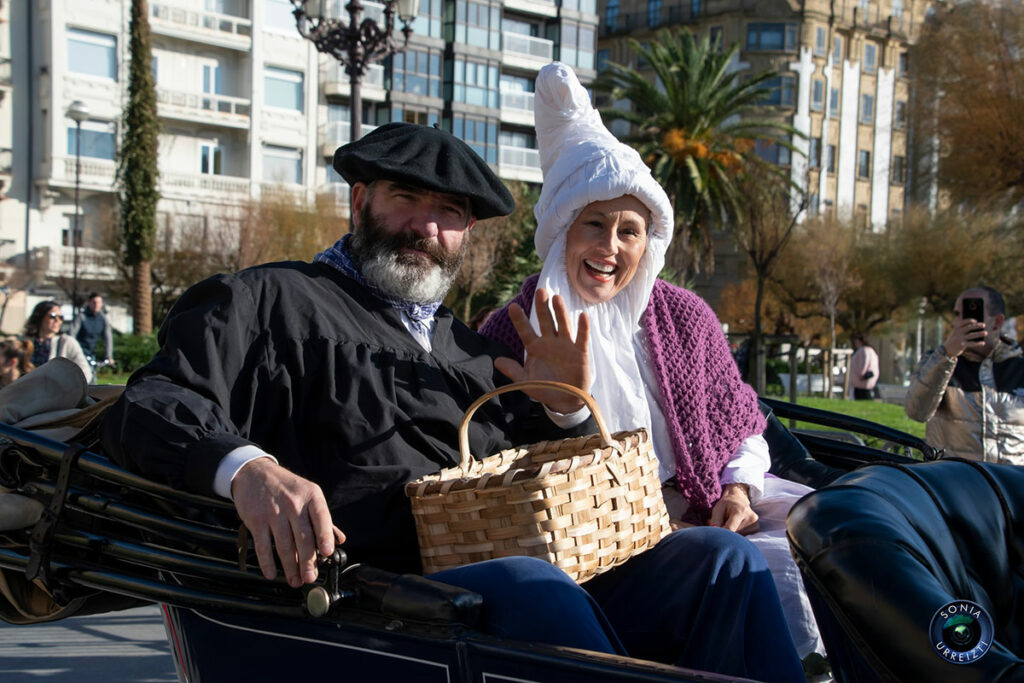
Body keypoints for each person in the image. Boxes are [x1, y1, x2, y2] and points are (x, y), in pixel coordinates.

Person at [101, 122, 804, 682]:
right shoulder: (268, 299)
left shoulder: (469, 348)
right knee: (538, 586)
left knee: (721, 560)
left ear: (466, 234)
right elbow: (156, 399)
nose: (426, 226)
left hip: (506, 585)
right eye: (407, 198)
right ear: (360, 201)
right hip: (366, 596)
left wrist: (564, 404)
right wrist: (247, 469)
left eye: (450, 212)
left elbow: (550, 482)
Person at [480, 63, 823, 667]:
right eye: (595, 224)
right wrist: (562, 404)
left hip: (710, 506)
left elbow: (740, 422)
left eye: (630, 231)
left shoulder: (683, 315)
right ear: (562, 229)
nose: (611, 248)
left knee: (838, 538)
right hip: (600, 547)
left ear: (650, 242)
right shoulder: (512, 326)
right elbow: (503, 472)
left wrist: (738, 489)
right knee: (747, 568)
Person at [905, 286, 1024, 463]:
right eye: (957, 314)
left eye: (970, 314)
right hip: (952, 484)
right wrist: (947, 355)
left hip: (1009, 486)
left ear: (997, 322)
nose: (960, 322)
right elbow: (917, 412)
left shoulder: (1019, 366)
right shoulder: (936, 362)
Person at [23, 301, 92, 382]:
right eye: (53, 316)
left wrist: (66, 388)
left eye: (61, 317)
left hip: (56, 392)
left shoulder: (67, 342)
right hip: (27, 391)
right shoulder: (24, 342)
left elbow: (85, 373)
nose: (57, 320)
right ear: (40, 317)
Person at [70, 292, 114, 366]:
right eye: (94, 302)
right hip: (79, 353)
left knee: (92, 374)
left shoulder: (103, 319)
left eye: (99, 302)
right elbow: (72, 334)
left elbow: (107, 339)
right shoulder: (81, 317)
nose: (97, 305)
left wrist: (109, 356)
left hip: (91, 354)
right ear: (89, 303)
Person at [848, 336, 879, 400]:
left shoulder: (863, 350)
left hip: (861, 381)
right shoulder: (871, 350)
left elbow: (864, 363)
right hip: (868, 380)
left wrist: (861, 374)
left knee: (860, 398)